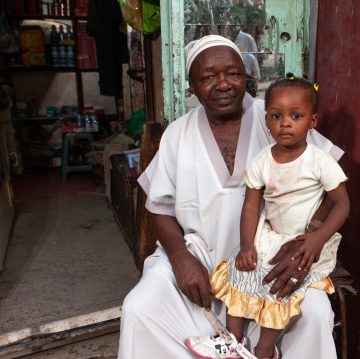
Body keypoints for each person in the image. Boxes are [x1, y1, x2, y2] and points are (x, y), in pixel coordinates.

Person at [118, 35, 345, 359]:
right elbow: (162, 208)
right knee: (139, 308)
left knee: (315, 312)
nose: (223, 84)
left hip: (273, 260)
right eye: (209, 76)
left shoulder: (277, 118)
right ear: (192, 86)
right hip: (197, 257)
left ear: (246, 76)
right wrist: (181, 259)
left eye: (233, 73)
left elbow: (331, 185)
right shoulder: (177, 135)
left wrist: (310, 238)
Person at [185, 74, 350, 359]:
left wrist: (316, 240)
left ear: (312, 122)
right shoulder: (263, 159)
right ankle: (233, 340)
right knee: (239, 270)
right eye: (276, 116)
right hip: (269, 233)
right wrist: (247, 244)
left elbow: (342, 205)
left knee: (278, 287)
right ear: (266, 121)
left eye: (295, 116)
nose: (284, 123)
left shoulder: (320, 161)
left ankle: (264, 350)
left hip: (305, 241)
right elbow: (250, 206)